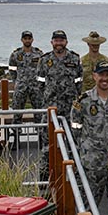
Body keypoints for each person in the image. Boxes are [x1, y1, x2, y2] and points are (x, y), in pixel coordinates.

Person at [70, 61, 108, 206]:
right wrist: (86, 149)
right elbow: (76, 129)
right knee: (88, 204)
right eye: (101, 75)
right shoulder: (83, 101)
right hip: (93, 162)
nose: (105, 78)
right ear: (94, 76)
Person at [36, 30, 82, 178]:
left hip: (69, 107)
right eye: (56, 40)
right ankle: (44, 175)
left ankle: (74, 174)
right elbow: (40, 83)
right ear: (52, 42)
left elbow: (79, 81)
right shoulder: (44, 60)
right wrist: (47, 98)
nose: (59, 43)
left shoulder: (74, 59)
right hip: (51, 107)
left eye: (61, 40)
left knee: (72, 141)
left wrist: (74, 97)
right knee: (48, 143)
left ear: (66, 42)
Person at [8, 30, 43, 124]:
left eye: (29, 38)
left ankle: (40, 133)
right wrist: (15, 81)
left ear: (32, 40)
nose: (27, 40)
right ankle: (16, 133)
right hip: (21, 87)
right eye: (25, 39)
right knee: (17, 112)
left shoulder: (39, 54)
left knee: (39, 112)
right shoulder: (16, 54)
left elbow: (43, 69)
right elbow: (12, 69)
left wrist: (41, 83)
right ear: (22, 40)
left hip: (35, 87)